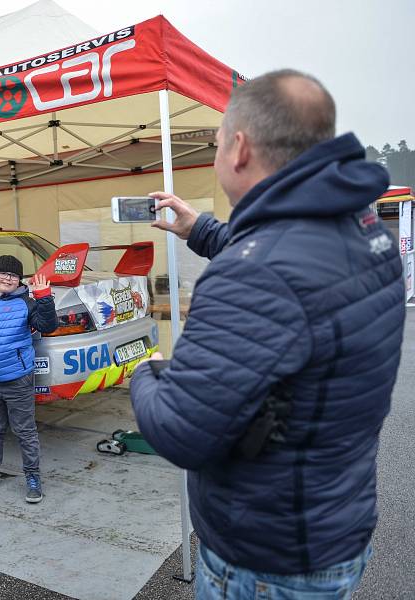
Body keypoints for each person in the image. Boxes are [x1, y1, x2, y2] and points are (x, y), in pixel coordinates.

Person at [130, 69, 405, 598]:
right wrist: (200, 229)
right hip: (333, 524)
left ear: (238, 148)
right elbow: (288, 252)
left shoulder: (254, 274)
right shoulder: (362, 231)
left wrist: (143, 367)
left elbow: (177, 430)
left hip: (264, 563)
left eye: (213, 145)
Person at [0, 255, 57, 503]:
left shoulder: (28, 303)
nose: (8, 278)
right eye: (3, 273)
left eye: (13, 275)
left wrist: (44, 297)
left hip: (18, 379)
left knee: (25, 431)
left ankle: (33, 477)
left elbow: (48, 326)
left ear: (19, 281)